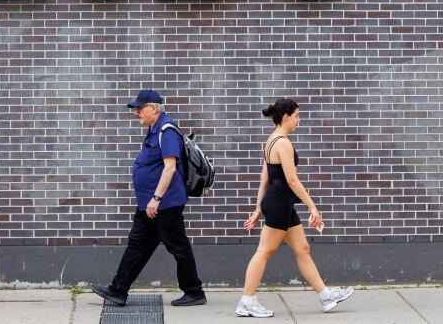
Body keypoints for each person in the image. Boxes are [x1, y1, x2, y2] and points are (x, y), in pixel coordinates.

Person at [236, 98, 353, 317]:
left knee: (302, 249)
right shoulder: (282, 143)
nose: (299, 120)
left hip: (281, 203)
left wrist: (258, 208)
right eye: (297, 115)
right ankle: (247, 301)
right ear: (286, 116)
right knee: (264, 251)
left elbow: (265, 179)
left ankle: (325, 296)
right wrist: (313, 207)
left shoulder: (271, 140)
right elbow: (292, 180)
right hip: (280, 204)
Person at [91, 89, 207, 307]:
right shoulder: (155, 129)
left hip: (164, 204)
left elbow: (170, 168)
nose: (136, 114)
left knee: (178, 247)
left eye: (140, 109)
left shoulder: (166, 130)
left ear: (153, 108)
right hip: (149, 204)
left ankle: (194, 292)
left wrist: (156, 198)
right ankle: (118, 290)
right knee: (137, 245)